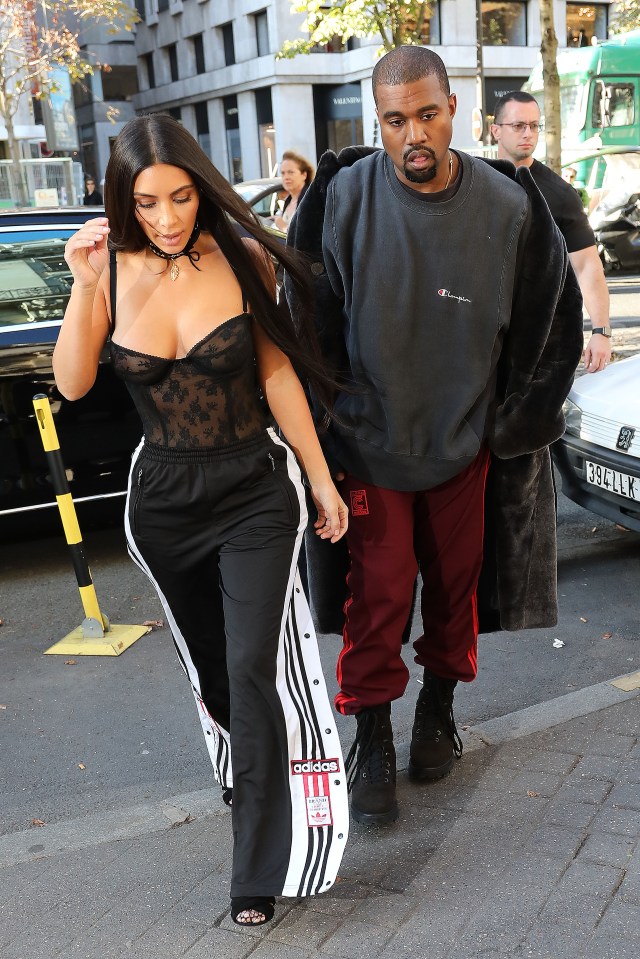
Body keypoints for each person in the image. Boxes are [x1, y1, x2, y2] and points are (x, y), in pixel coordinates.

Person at [53, 114, 349, 926]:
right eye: (147, 203)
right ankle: (247, 759)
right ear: (125, 201)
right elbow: (74, 383)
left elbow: (279, 373)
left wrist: (320, 480)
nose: (169, 218)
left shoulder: (243, 256)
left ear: (200, 187)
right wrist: (84, 285)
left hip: (254, 489)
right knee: (217, 670)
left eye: (181, 197)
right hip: (164, 505)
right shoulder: (108, 271)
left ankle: (256, 863)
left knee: (254, 666)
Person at [286, 46, 583, 826]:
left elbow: (552, 322)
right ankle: (374, 734)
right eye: (394, 119)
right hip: (369, 448)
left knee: (456, 598)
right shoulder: (344, 196)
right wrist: (330, 426)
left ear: (454, 107)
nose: (412, 133)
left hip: (464, 449)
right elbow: (307, 321)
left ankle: (437, 712)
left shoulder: (510, 205)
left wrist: (512, 422)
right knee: (375, 602)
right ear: (375, 119)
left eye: (427, 113)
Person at [491, 91, 612, 373]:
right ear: (495, 130)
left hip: (540, 341)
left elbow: (587, 267)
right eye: (518, 125)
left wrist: (601, 331)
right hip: (481, 336)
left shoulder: (561, 195)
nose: (528, 133)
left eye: (534, 126)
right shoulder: (474, 182)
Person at [274, 151, 314, 232]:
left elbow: (308, 234)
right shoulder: (288, 200)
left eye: (290, 172)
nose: (286, 177)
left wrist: (283, 227)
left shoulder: (311, 199)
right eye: (283, 173)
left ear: (304, 175)